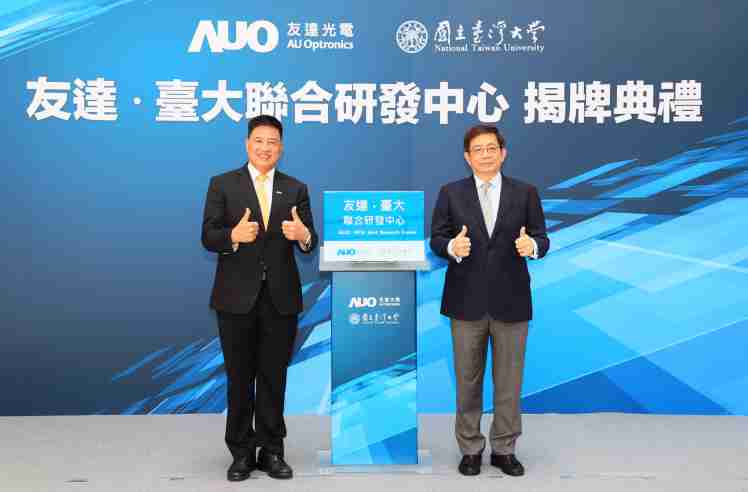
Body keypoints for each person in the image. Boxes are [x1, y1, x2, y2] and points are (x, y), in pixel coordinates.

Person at [201, 114, 318, 481]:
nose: (266, 148)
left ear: (281, 148)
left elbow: (311, 240)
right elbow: (208, 235)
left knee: (273, 377)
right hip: (236, 298)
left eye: (273, 142)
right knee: (239, 378)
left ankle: (272, 450)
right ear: (247, 144)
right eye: (259, 140)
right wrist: (232, 236)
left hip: (280, 299)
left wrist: (302, 235)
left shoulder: (295, 188)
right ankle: (241, 452)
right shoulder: (223, 184)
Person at [430, 124, 549, 477]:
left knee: (509, 382)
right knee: (468, 381)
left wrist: (533, 246)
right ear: (467, 157)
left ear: (503, 153)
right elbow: (436, 238)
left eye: (491, 148)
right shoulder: (451, 193)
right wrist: (452, 247)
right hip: (465, 302)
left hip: (512, 301)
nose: (485, 154)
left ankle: (504, 449)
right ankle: (470, 448)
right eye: (478, 150)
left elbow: (542, 237)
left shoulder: (525, 192)